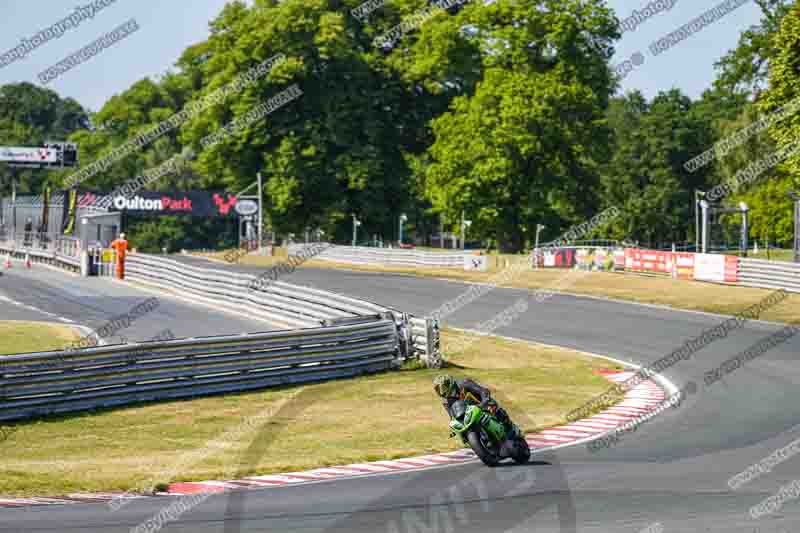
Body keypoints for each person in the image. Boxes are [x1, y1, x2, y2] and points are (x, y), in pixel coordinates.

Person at [433, 374, 521, 438]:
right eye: (439, 389)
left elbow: (482, 391)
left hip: (482, 404)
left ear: (450, 383)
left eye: (443, 388)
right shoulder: (446, 401)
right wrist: (454, 429)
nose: (442, 391)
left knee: (493, 407)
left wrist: (484, 401)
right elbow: (452, 416)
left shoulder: (464, 383)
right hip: (468, 415)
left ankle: (510, 427)